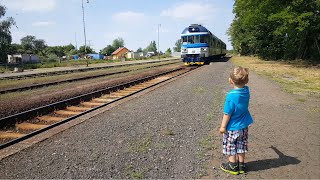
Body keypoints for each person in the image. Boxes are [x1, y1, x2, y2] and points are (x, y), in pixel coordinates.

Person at [219, 66, 253, 175]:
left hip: (232, 127)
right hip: (243, 126)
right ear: (246, 81)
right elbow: (244, 86)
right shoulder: (246, 91)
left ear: (230, 80)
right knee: (241, 144)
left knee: (231, 145)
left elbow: (227, 113)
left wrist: (223, 126)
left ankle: (232, 166)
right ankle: (242, 165)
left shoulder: (231, 96)